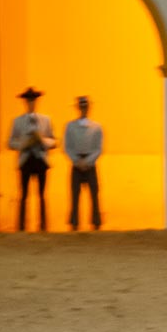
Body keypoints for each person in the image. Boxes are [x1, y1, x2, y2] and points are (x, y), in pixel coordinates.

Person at [6, 86, 56, 232]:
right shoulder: (17, 121)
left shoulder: (46, 120)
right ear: (25, 102)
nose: (31, 103)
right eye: (28, 100)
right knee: (23, 195)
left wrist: (41, 140)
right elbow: (10, 142)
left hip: (40, 159)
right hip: (26, 160)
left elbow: (53, 141)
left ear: (36, 102)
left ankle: (43, 225)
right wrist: (24, 144)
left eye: (33, 100)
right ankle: (21, 226)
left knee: (42, 195)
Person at [64, 96, 104, 231]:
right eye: (81, 106)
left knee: (94, 193)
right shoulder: (70, 126)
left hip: (90, 163)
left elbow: (98, 148)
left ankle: (96, 221)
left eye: (85, 106)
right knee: (74, 194)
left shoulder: (97, 127)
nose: (83, 109)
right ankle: (74, 221)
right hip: (77, 162)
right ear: (78, 108)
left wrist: (87, 161)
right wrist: (76, 160)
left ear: (88, 108)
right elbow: (67, 146)